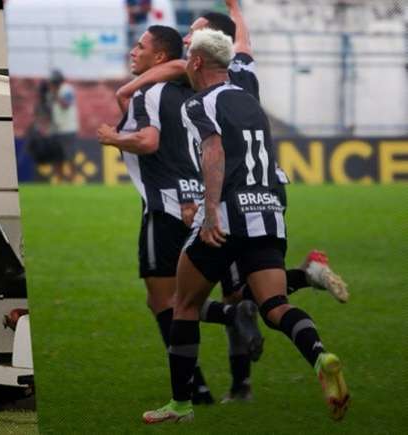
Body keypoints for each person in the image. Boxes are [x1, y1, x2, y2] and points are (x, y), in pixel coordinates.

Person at [117, 0, 349, 402]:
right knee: (260, 299)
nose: (188, 38)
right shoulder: (244, 73)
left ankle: (186, 399)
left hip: (226, 201)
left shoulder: (198, 92)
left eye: (196, 34)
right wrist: (235, 8)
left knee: (184, 302)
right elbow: (242, 38)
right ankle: (270, 372)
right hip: (268, 199)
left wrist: (206, 209)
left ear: (205, 54)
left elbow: (212, 150)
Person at [95, 25, 222, 405]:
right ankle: (246, 314)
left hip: (164, 206)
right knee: (186, 295)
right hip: (197, 202)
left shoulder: (148, 93)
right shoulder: (191, 94)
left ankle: (194, 387)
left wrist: (114, 136)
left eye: (141, 46)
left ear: (160, 57)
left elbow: (148, 141)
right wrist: (122, 94)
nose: (133, 51)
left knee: (164, 300)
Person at [46, 70, 79, 182]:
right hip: (56, 129)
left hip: (68, 128)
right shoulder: (50, 92)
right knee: (57, 157)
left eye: (53, 82)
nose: (52, 85)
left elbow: (66, 104)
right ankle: (59, 179)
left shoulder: (67, 89)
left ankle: (73, 178)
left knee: (70, 156)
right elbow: (49, 109)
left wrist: (55, 94)